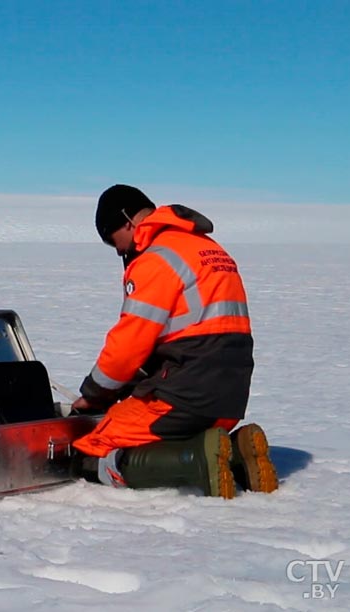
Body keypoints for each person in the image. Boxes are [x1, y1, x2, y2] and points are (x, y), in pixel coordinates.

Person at [70, 184, 277, 498]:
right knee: (183, 434)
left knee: (93, 446)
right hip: (230, 397)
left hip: (185, 396)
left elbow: (128, 345)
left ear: (126, 221)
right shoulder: (207, 248)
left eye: (113, 240)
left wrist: (95, 394)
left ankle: (195, 461)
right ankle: (235, 452)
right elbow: (187, 332)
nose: (117, 250)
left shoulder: (157, 258)